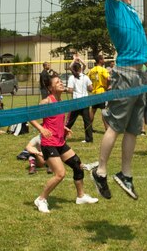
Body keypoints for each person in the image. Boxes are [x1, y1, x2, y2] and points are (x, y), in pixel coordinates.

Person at [91, 0, 147, 201]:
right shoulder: (114, 6)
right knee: (115, 127)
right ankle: (101, 171)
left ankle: (125, 174)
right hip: (126, 73)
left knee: (133, 128)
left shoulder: (129, 7)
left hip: (138, 74)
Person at [30, 71, 98, 213]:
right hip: (49, 143)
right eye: (57, 83)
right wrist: (41, 129)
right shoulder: (47, 101)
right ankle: (41, 199)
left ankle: (80, 196)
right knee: (60, 174)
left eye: (61, 81)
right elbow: (30, 116)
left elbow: (54, 120)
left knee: (77, 165)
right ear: (51, 88)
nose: (61, 83)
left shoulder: (61, 101)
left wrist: (64, 127)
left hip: (60, 142)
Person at [66, 62, 93, 143]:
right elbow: (91, 89)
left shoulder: (71, 78)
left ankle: (62, 136)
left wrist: (65, 89)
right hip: (85, 101)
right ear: (80, 68)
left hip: (76, 101)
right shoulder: (86, 77)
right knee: (87, 121)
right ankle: (89, 138)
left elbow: (70, 90)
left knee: (70, 121)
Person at [88, 54, 110, 131]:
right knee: (104, 111)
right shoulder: (103, 70)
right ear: (100, 60)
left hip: (94, 93)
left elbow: (88, 81)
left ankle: (89, 128)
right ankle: (107, 129)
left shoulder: (91, 70)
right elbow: (108, 78)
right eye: (103, 59)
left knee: (93, 110)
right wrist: (107, 87)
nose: (104, 61)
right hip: (102, 92)